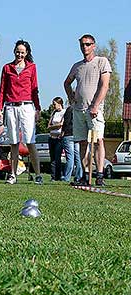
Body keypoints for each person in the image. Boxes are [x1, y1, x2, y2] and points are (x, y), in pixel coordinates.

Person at [64, 34, 112, 186]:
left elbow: (105, 85)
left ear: (94, 45)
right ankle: (84, 175)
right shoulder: (77, 66)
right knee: (82, 143)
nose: (85, 47)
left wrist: (95, 106)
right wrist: (71, 98)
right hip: (79, 110)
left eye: (88, 44)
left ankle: (99, 175)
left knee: (98, 141)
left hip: (94, 110)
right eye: (82, 44)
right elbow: (67, 83)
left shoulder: (101, 62)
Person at [0, 40, 43, 185]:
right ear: (14, 51)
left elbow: (35, 88)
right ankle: (12, 175)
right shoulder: (7, 68)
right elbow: (2, 89)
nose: (20, 54)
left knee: (30, 141)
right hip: (10, 107)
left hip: (27, 107)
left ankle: (38, 175)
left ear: (27, 53)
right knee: (14, 142)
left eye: (22, 52)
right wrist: (0, 108)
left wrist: (38, 108)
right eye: (18, 51)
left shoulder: (32, 67)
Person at [60, 104, 83, 182]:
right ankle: (79, 176)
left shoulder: (70, 109)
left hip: (68, 134)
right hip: (77, 134)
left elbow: (66, 122)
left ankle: (67, 177)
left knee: (70, 157)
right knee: (78, 156)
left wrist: (62, 132)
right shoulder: (79, 109)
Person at [47, 97, 66, 181]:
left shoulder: (64, 112)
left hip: (59, 138)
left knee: (57, 158)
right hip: (51, 137)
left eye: (54, 104)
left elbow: (61, 124)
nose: (53, 106)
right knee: (52, 158)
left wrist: (54, 126)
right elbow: (48, 126)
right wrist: (54, 126)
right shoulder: (54, 112)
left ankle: (59, 175)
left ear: (60, 104)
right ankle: (53, 176)